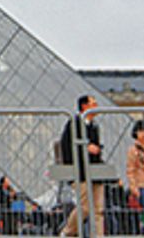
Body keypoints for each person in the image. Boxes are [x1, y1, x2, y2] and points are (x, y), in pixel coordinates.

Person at [57, 95, 106, 237]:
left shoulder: (94, 126)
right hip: (80, 173)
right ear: (84, 106)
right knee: (85, 207)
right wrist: (85, 148)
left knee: (98, 210)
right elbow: (67, 147)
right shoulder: (74, 123)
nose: (97, 106)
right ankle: (68, 231)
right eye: (94, 103)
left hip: (95, 172)